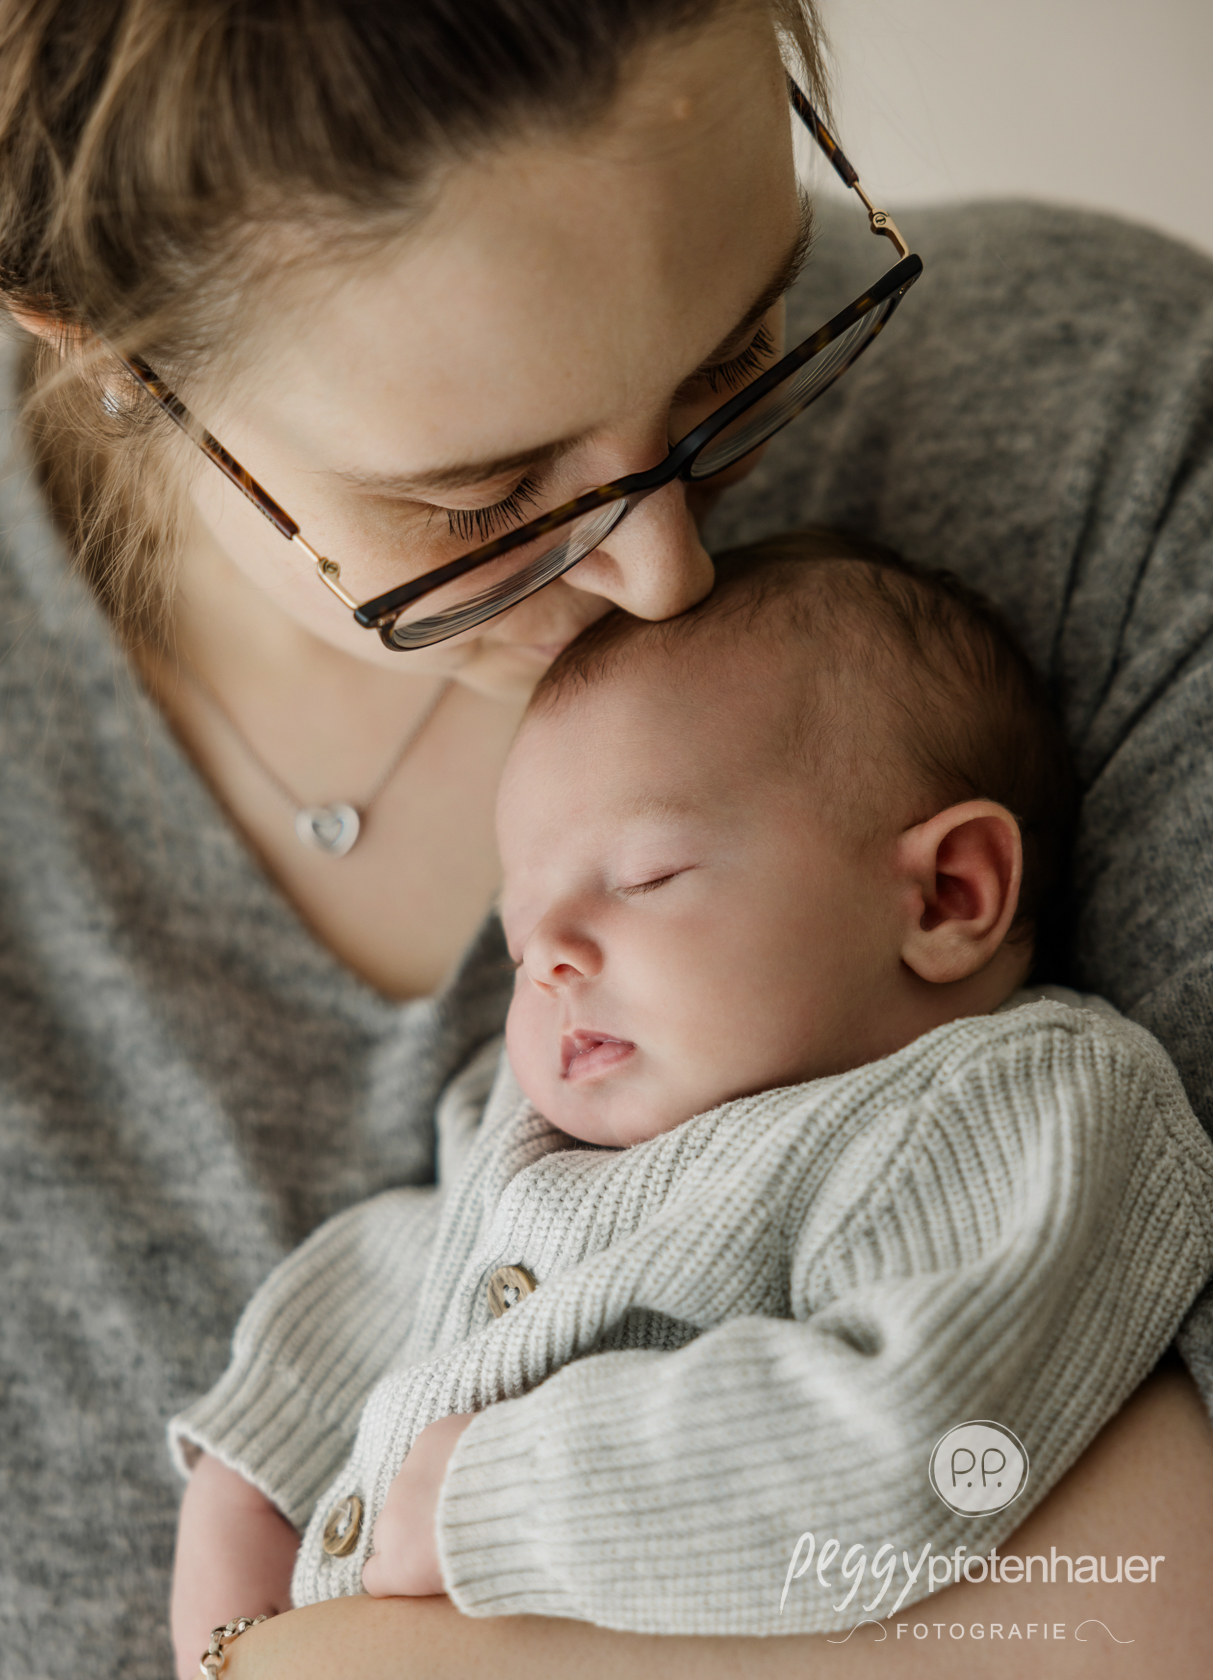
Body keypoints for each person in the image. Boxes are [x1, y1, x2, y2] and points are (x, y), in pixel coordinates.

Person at [0, 3, 1210, 1678]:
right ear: (120, 367)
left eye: (738, 353)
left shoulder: (1111, 430)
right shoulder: (519, 1122)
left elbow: (1147, 1589)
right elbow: (376, 1294)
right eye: (482, 499)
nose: (665, 575)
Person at [167, 540, 1213, 1672]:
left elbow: (917, 1437)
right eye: (519, 935)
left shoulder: (1004, 1104)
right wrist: (246, 1491)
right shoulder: (535, 1123)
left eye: (645, 879)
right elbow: (398, 1275)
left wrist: (501, 1496)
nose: (549, 957)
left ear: (945, 895)